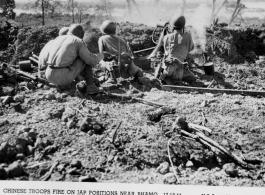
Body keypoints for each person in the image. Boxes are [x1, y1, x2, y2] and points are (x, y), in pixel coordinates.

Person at [38, 24, 108, 94]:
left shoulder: (57, 39)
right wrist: (102, 55)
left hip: (49, 75)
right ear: (81, 34)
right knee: (84, 58)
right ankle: (91, 87)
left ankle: (67, 83)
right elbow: (90, 60)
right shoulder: (78, 41)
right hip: (64, 78)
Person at [161, 15, 195, 85]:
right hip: (180, 69)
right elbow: (191, 48)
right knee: (193, 78)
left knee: (165, 74)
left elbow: (166, 51)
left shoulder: (167, 37)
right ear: (183, 26)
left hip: (168, 69)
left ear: (173, 26)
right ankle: (176, 81)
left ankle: (167, 80)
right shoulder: (187, 35)